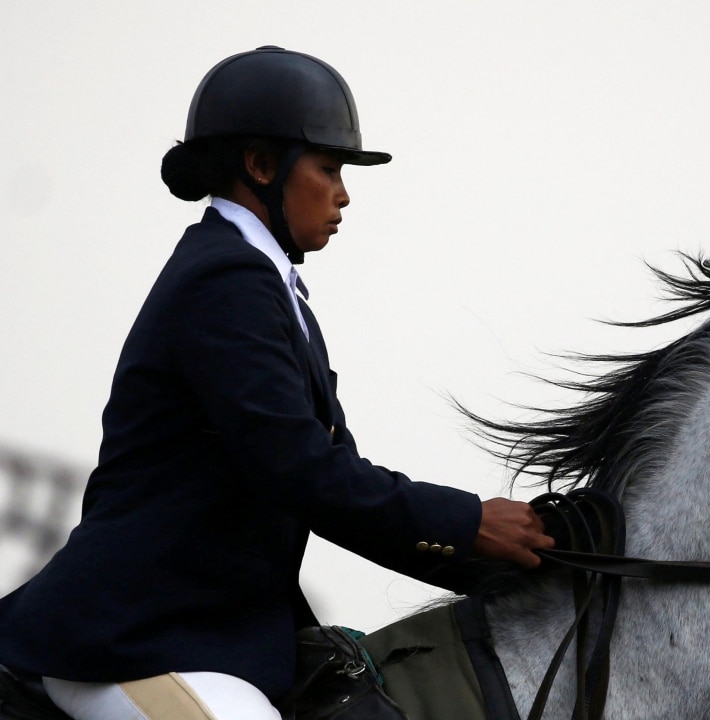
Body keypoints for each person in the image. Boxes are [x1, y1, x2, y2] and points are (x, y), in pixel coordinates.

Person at [0, 46, 554, 720]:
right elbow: (301, 471)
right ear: (262, 166)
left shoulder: (273, 291)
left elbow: (338, 484)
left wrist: (518, 572)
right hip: (134, 641)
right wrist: (468, 521)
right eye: (329, 169)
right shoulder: (223, 281)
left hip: (215, 638)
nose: (344, 193)